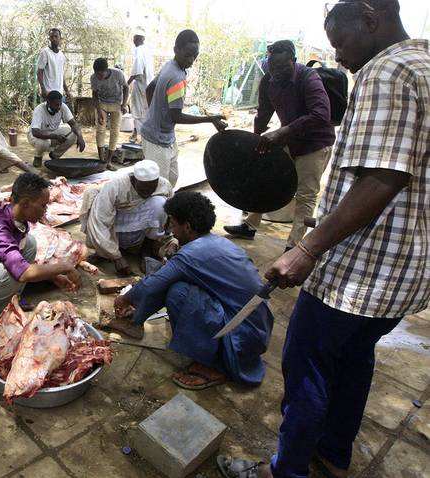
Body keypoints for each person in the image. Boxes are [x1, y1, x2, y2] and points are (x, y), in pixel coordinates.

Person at [219, 2, 430, 477]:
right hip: (404, 272)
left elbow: (383, 177)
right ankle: (334, 453)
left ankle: (286, 470)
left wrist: (307, 248)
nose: (338, 57)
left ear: (371, 18)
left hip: (358, 269)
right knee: (354, 359)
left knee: (307, 366)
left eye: (340, 42)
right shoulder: (426, 63)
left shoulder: (388, 70)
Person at [110, 191, 274, 389]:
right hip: (256, 325)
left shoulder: (192, 254)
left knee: (178, 292)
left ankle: (214, 366)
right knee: (177, 282)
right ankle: (136, 320)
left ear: (187, 227)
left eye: (172, 224)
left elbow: (154, 283)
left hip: (242, 335)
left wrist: (125, 298)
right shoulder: (217, 242)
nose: (170, 229)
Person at [223, 40, 336, 251]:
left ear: (293, 61)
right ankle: (249, 226)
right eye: (273, 67)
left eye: (282, 67)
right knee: (262, 177)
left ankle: (294, 247)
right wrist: (253, 140)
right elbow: (264, 112)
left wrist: (283, 131)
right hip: (289, 139)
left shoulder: (308, 78)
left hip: (314, 144)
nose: (277, 72)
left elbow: (321, 115)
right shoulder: (269, 81)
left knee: (305, 195)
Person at [0, 173, 83, 332]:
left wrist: (53, 276)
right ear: (25, 203)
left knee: (29, 243)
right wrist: (64, 267)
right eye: (43, 205)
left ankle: (10, 298)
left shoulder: (15, 218)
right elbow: (23, 272)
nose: (45, 210)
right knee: (11, 271)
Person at [142, 29, 228, 186]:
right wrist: (210, 119)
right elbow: (176, 117)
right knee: (158, 186)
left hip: (165, 135)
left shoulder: (169, 65)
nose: (191, 60)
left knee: (172, 178)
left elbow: (149, 89)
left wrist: (155, 114)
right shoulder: (176, 78)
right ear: (176, 50)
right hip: (156, 140)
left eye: (195, 55)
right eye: (188, 55)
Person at [80, 160, 173, 277]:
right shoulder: (115, 187)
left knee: (161, 203)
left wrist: (169, 239)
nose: (148, 192)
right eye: (144, 189)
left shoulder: (164, 184)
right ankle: (104, 252)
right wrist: (116, 257)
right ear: (134, 180)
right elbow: (100, 222)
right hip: (116, 224)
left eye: (151, 189)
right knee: (95, 205)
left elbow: (171, 216)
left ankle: (146, 251)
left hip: (139, 226)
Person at [28, 90, 86, 168]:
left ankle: (55, 155)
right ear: (48, 102)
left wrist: (80, 138)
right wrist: (55, 136)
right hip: (35, 135)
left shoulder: (62, 107)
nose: (58, 107)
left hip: (52, 131)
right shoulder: (39, 109)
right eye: (56, 105)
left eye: (60, 104)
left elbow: (73, 124)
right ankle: (38, 156)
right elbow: (35, 132)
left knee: (74, 134)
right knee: (44, 143)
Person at [91, 57, 129, 164]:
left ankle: (109, 161)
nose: (99, 77)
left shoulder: (118, 74)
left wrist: (124, 104)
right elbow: (94, 94)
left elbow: (126, 88)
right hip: (102, 103)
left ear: (106, 70)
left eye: (101, 75)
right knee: (100, 129)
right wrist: (98, 111)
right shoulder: (93, 78)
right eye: (97, 75)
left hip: (116, 103)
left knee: (115, 131)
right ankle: (101, 160)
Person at [127, 27, 154, 143]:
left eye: (135, 38)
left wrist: (126, 83)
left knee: (138, 113)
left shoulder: (139, 50)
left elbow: (137, 70)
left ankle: (143, 140)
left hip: (141, 85)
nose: (134, 40)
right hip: (148, 85)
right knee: (145, 112)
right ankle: (141, 136)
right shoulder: (147, 50)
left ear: (140, 39)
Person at [37, 28, 70, 101]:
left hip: (59, 94)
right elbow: (39, 72)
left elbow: (61, 75)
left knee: (60, 112)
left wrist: (66, 90)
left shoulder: (61, 55)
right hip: (48, 93)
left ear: (60, 38)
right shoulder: (45, 53)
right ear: (49, 38)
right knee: (47, 112)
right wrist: (42, 88)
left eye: (56, 36)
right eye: (52, 37)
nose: (54, 39)